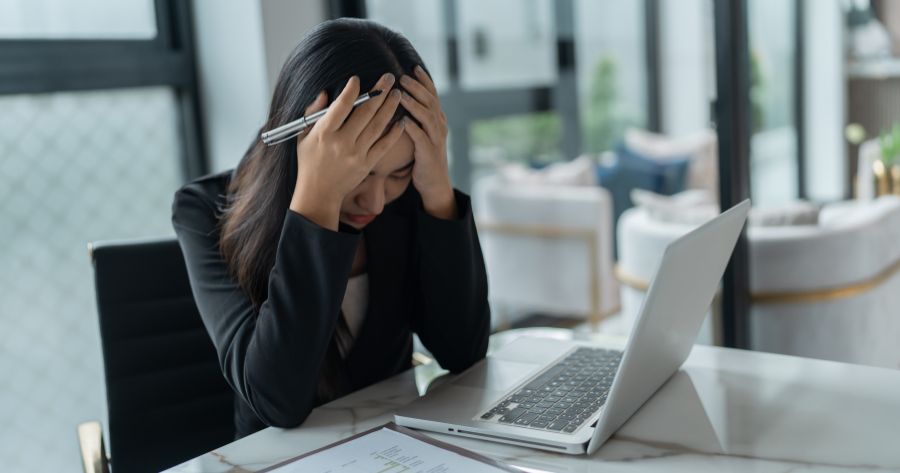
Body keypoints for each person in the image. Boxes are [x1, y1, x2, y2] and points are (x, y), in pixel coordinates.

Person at [171, 18, 490, 438]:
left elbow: (462, 351)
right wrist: (316, 198)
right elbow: (276, 402)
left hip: (399, 447)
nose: (375, 202)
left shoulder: (410, 197)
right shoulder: (203, 210)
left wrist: (435, 187)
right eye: (361, 173)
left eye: (399, 173)